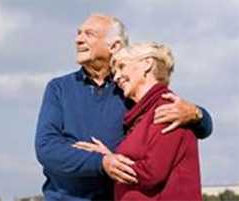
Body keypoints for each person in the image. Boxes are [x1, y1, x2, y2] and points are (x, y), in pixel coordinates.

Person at [35, 14, 212, 201]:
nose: (78, 39)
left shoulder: (130, 89)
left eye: (89, 34)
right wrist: (102, 162)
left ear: (115, 46)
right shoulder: (59, 88)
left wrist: (198, 114)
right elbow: (47, 148)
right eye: (79, 33)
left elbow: (178, 115)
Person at [74, 42, 202, 200]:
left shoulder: (168, 110)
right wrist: (111, 157)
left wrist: (111, 165)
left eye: (122, 67)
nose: (116, 77)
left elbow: (151, 173)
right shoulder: (142, 116)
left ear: (147, 64)